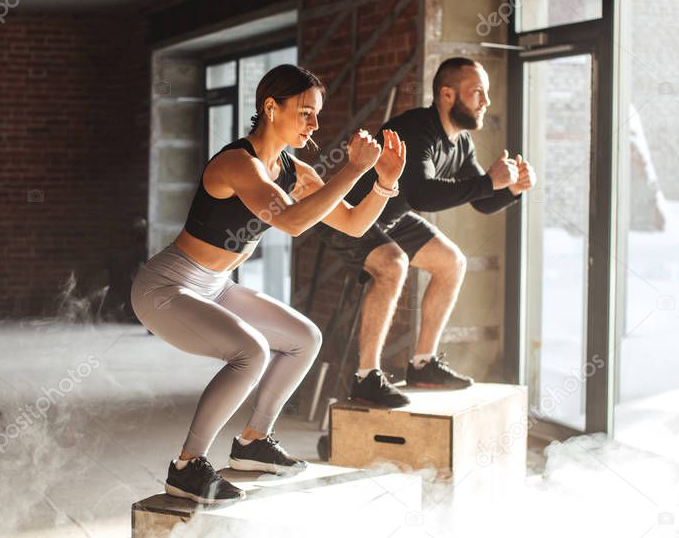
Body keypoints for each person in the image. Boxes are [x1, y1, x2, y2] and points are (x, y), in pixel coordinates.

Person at [131, 64, 405, 505]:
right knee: (251, 352)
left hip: (217, 284)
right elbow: (293, 221)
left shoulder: (294, 171)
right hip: (166, 288)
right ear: (271, 108)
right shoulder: (238, 163)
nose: (314, 124)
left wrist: (385, 182)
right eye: (305, 112)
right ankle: (187, 466)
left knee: (303, 338)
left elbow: (353, 224)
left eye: (317, 114)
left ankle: (254, 441)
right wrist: (353, 171)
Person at [325, 57, 537, 407]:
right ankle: (366, 377)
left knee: (452, 262)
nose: (485, 102)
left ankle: (423, 364)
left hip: (392, 216)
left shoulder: (461, 142)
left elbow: (481, 201)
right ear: (447, 95)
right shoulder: (415, 130)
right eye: (477, 93)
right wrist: (489, 182)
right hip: (350, 215)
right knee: (393, 264)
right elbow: (422, 193)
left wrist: (510, 191)